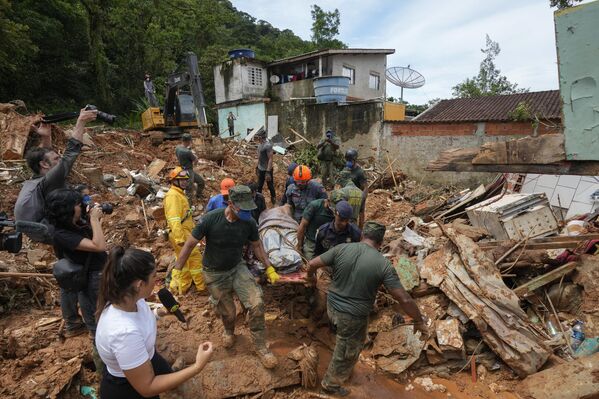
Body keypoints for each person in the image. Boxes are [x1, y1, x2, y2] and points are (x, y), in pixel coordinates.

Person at [306, 221, 427, 396]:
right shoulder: (383, 265)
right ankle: (330, 384)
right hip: (352, 316)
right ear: (381, 242)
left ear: (362, 235)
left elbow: (312, 264)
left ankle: (338, 356)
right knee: (348, 349)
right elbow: (403, 298)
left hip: (331, 307)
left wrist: (311, 278)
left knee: (343, 338)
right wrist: (418, 320)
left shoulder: (341, 248)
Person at [173, 185, 279, 369]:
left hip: (237, 267)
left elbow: (256, 246)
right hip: (214, 272)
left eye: (248, 208)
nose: (246, 212)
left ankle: (260, 346)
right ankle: (229, 331)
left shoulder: (249, 223)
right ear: (230, 203)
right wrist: (177, 270)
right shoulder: (211, 219)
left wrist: (269, 268)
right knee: (229, 313)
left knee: (256, 303)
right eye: (242, 209)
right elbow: (190, 244)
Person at [96, 247, 213, 399]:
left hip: (149, 357)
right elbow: (148, 387)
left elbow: (140, 319)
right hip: (128, 389)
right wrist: (197, 366)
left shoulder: (130, 299)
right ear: (139, 285)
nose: (157, 280)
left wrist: (160, 312)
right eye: (154, 276)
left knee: (169, 378)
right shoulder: (123, 333)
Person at [14, 107, 97, 243]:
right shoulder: (50, 180)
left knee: (72, 191)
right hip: (45, 230)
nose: (59, 161)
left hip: (35, 227)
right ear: (44, 165)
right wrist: (81, 122)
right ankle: (85, 237)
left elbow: (48, 156)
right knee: (77, 196)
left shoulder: (37, 178)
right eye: (56, 159)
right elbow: (70, 153)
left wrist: (46, 136)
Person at [45, 188, 107, 338]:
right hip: (90, 280)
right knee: (98, 323)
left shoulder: (76, 223)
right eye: (78, 205)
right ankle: (102, 353)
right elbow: (98, 246)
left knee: (105, 315)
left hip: (98, 274)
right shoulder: (61, 233)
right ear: (68, 209)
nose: (81, 207)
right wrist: (94, 220)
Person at [164, 167, 205, 294]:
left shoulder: (178, 194)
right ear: (173, 180)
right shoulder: (173, 196)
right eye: (180, 180)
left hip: (184, 232)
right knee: (194, 258)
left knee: (185, 262)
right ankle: (201, 287)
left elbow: (184, 217)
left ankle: (182, 287)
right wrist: (180, 238)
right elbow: (174, 219)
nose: (184, 182)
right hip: (181, 233)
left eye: (185, 180)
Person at [296, 190, 346, 261]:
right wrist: (299, 246)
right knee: (310, 261)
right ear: (328, 201)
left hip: (328, 243)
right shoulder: (315, 206)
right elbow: (303, 225)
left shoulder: (340, 212)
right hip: (312, 242)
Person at [175, 133, 205, 201]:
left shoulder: (178, 148)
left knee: (201, 182)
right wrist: (194, 155)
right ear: (188, 141)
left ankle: (198, 195)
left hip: (182, 168)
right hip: (189, 171)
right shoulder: (187, 152)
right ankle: (189, 206)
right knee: (189, 189)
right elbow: (195, 160)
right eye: (190, 141)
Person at [256, 131, 275, 205]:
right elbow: (259, 157)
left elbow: (270, 159)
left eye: (258, 136)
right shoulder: (259, 145)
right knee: (259, 185)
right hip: (260, 169)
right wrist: (257, 167)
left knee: (270, 186)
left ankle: (273, 199)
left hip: (267, 170)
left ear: (261, 137)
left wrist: (268, 171)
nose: (257, 138)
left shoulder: (268, 145)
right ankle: (257, 200)